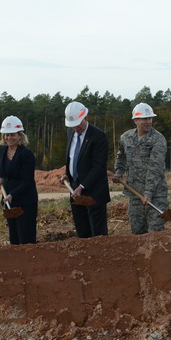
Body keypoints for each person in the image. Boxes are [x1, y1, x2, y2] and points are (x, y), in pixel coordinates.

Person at [113, 102, 169, 235]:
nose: (148, 122)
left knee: (155, 233)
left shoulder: (158, 140)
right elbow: (121, 155)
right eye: (144, 119)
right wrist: (119, 172)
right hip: (135, 194)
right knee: (138, 233)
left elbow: (155, 169)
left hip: (156, 195)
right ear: (135, 120)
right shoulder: (126, 138)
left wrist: (148, 193)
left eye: (149, 118)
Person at [62, 101, 110, 238]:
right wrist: (67, 175)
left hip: (94, 193)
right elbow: (72, 158)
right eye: (72, 125)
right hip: (75, 192)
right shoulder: (70, 133)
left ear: (86, 118)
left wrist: (83, 185)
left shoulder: (98, 136)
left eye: (77, 124)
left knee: (97, 235)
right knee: (82, 233)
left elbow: (99, 167)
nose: (75, 128)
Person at [0, 115, 38, 244]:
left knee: (25, 239)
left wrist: (12, 195)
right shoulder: (3, 151)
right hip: (10, 202)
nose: (9, 138)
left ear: (20, 135)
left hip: (25, 202)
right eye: (6, 135)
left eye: (12, 134)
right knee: (14, 238)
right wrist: (0, 178)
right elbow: (2, 171)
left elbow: (27, 181)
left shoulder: (26, 154)